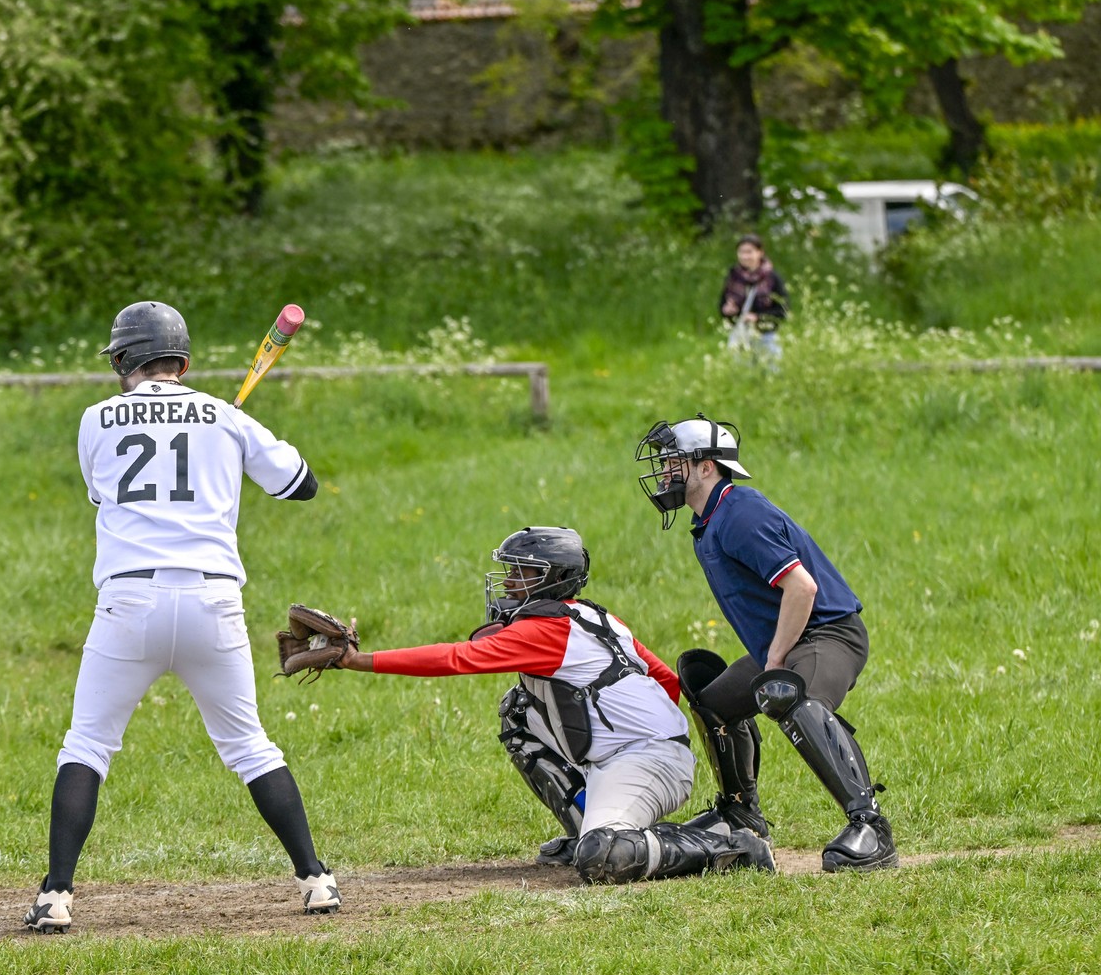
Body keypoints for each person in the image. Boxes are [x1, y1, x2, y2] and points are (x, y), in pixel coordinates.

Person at [26, 300, 339, 933]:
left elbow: (101, 492)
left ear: (122, 361)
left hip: (128, 603)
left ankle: (55, 896)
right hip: (212, 603)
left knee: (87, 745)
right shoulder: (226, 416)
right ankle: (316, 880)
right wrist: (229, 435)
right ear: (184, 362)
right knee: (249, 747)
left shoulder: (95, 418)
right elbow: (302, 484)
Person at [327, 527, 775, 885]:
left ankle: (732, 848)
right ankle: (596, 826)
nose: (509, 581)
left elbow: (456, 659)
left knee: (604, 856)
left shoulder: (544, 630)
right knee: (519, 710)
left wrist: (359, 660)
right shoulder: (597, 616)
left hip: (646, 759)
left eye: (522, 572)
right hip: (639, 752)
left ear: (553, 579)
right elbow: (666, 683)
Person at [635, 414, 898, 872]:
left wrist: (774, 660)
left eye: (674, 462)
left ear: (706, 467)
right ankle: (739, 815)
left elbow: (803, 588)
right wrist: (773, 657)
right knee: (712, 703)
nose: (664, 472)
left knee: (790, 696)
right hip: (794, 639)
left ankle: (871, 827)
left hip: (829, 633)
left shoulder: (740, 513)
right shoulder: (710, 519)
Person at [719, 234, 789, 360]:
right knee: (740, 370)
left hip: (766, 335)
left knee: (770, 368)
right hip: (740, 333)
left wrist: (757, 317)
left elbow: (783, 309)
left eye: (749, 252)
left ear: (760, 253)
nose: (745, 256)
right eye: (741, 252)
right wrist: (727, 310)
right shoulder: (733, 277)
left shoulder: (772, 278)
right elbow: (722, 304)